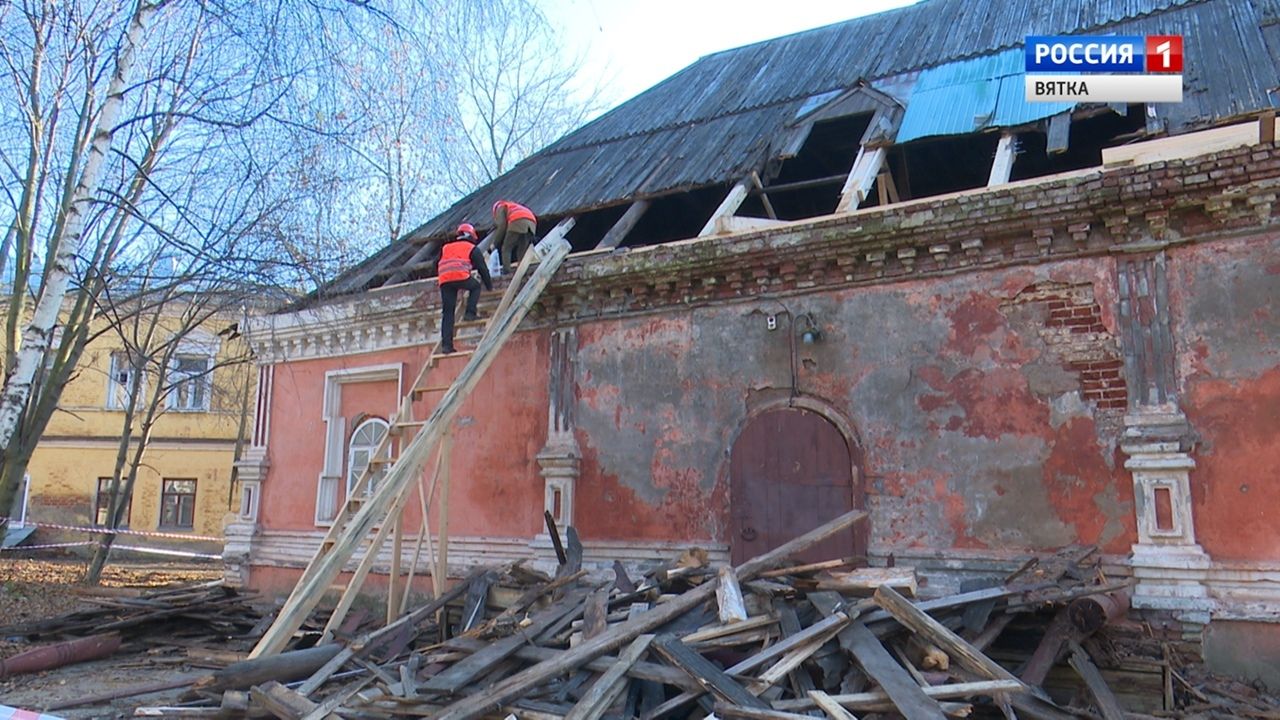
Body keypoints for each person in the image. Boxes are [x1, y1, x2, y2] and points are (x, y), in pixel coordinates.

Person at [434, 223, 492, 354]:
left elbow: (435, 263)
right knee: (476, 287)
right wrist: (489, 286)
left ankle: (446, 346)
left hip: (444, 280)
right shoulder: (471, 248)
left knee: (448, 313)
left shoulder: (446, 247)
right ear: (470, 236)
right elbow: (482, 269)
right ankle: (470, 314)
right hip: (460, 275)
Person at [491, 200, 537, 273]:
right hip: (532, 222)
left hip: (517, 219)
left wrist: (495, 244)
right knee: (522, 250)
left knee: (506, 248)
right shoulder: (513, 206)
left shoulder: (500, 207)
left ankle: (506, 271)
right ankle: (522, 270)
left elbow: (502, 226)